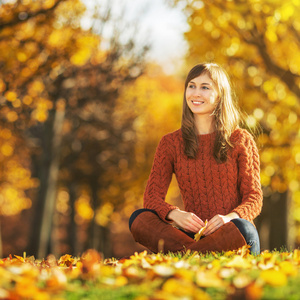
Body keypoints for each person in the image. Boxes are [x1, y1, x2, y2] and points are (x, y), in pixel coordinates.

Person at [129, 62, 263, 255]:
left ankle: (189, 254)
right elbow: (151, 197)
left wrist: (229, 218)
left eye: (205, 87)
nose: (195, 93)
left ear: (220, 96)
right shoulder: (170, 143)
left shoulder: (240, 139)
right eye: (191, 86)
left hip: (230, 234)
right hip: (188, 236)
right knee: (139, 219)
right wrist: (175, 215)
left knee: (245, 228)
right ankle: (198, 252)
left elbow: (254, 198)